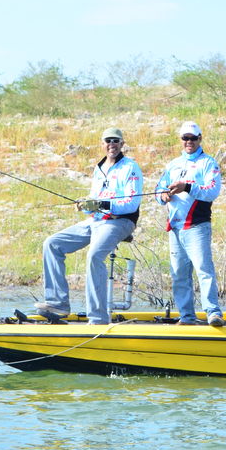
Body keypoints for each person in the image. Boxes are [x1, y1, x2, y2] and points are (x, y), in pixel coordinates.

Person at [37, 127, 143, 324]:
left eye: (115, 141)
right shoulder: (99, 168)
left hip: (120, 222)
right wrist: (85, 205)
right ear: (102, 144)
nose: (112, 144)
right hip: (95, 221)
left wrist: (102, 204)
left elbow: (132, 204)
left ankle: (98, 318)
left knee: (94, 256)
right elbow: (93, 202)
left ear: (122, 144)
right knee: (52, 243)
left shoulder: (131, 167)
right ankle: (58, 303)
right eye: (108, 141)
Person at [155, 121, 225, 327]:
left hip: (197, 226)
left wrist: (187, 187)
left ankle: (213, 312)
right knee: (178, 275)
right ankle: (186, 317)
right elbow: (158, 189)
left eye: (193, 138)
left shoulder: (209, 163)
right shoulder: (173, 164)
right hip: (175, 227)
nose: (189, 142)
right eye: (185, 138)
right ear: (181, 140)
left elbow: (212, 192)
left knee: (204, 270)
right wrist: (163, 196)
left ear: (200, 139)